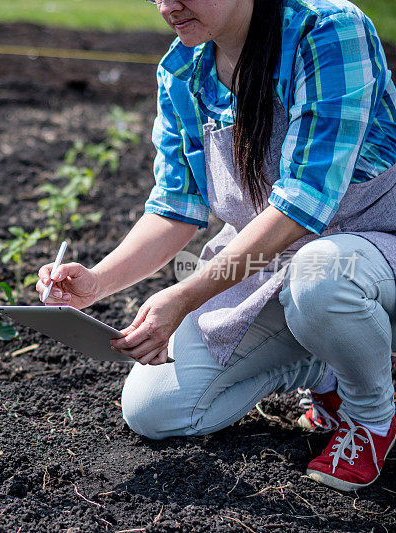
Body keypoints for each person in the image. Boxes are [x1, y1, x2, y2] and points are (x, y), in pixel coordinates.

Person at [36, 0, 396, 492]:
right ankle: (322, 360)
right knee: (155, 410)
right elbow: (173, 208)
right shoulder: (185, 70)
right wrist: (96, 281)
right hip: (268, 262)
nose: (168, 5)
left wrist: (185, 297)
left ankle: (370, 415)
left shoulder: (327, 31)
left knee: (320, 278)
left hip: (373, 243)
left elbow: (305, 201)